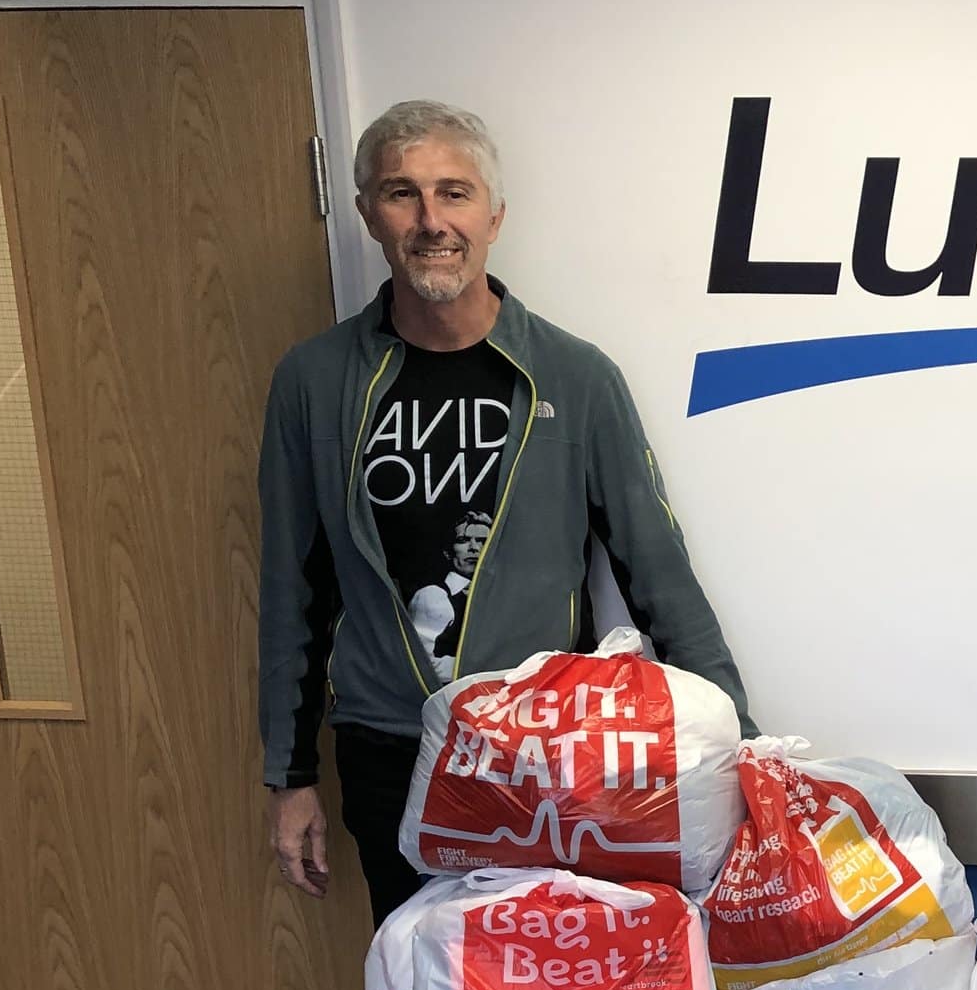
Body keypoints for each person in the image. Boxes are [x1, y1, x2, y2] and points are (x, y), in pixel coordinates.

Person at [256, 99, 754, 923]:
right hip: (388, 751)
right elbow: (291, 588)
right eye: (400, 194)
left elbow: (656, 572)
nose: (429, 220)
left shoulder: (573, 375)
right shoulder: (313, 381)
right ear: (366, 215)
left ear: (494, 214)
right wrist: (290, 776)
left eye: (453, 192)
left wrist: (745, 752)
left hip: (547, 757)